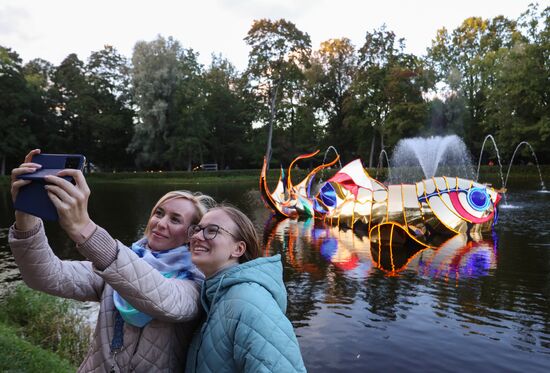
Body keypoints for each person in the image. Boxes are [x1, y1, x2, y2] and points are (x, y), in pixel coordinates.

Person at [8, 149, 215, 372]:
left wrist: (84, 228)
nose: (161, 223)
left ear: (190, 234)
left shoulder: (196, 281)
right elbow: (46, 276)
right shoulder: (118, 264)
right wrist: (26, 215)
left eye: (175, 219)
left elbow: (165, 300)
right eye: (159, 213)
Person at [185, 204, 307, 372]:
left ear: (238, 249)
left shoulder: (250, 301)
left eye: (212, 230)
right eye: (198, 229)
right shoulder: (215, 294)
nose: (197, 236)